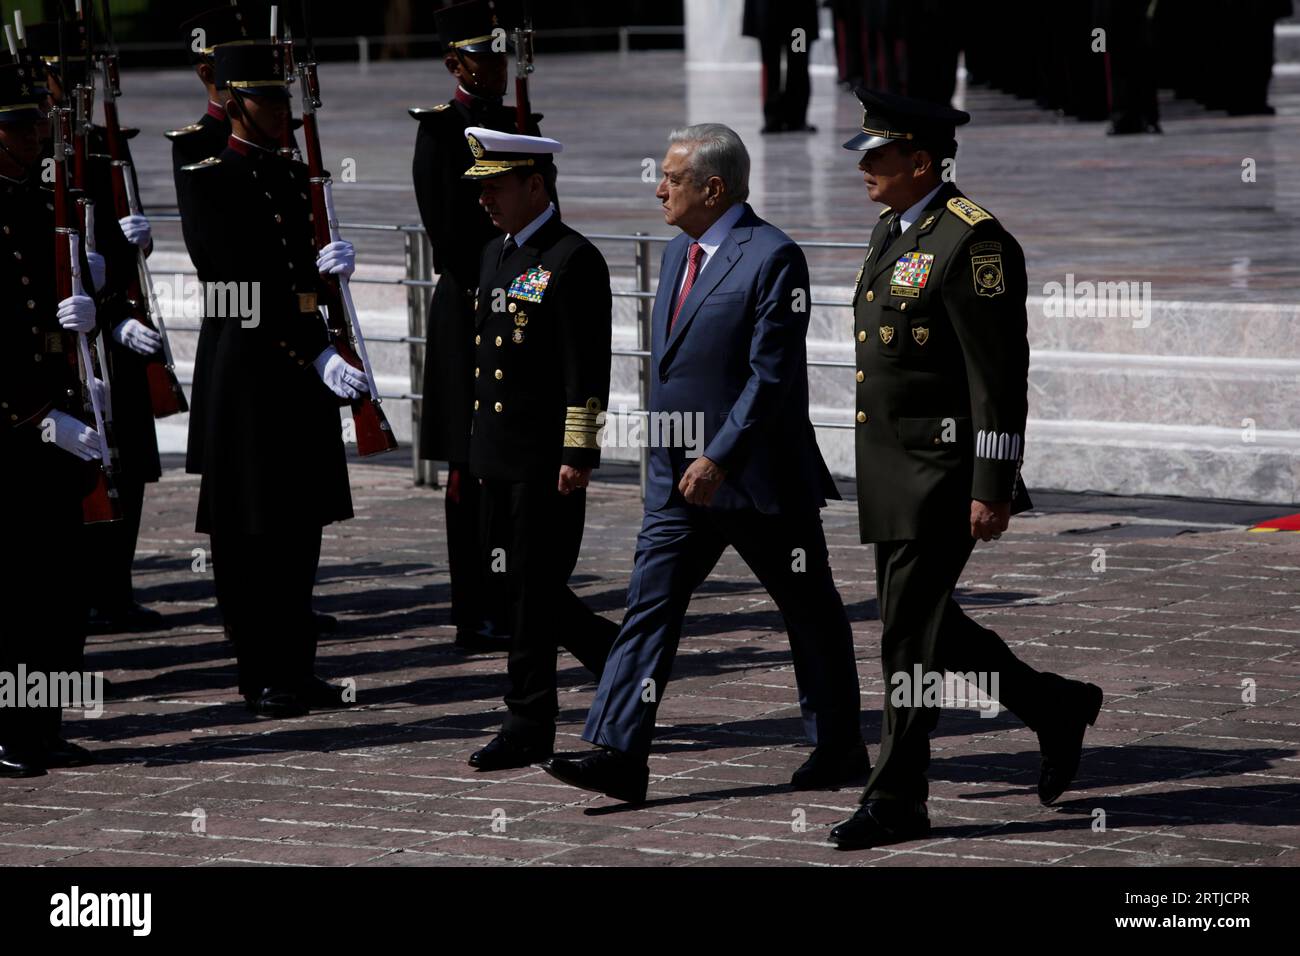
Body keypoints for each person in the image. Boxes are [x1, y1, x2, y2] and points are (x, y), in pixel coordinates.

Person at [542, 124, 866, 804]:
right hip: (674, 480)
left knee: (808, 610)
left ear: (713, 187)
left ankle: (839, 746)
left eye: (671, 177)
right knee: (646, 611)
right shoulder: (676, 251)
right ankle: (618, 753)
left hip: (756, 479)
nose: (659, 187)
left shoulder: (773, 256)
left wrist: (719, 455)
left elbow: (771, 377)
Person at [829, 89, 1103, 849]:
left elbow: (998, 377)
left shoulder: (973, 242)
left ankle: (898, 798)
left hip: (943, 474)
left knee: (906, 640)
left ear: (922, 161)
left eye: (877, 155)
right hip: (892, 469)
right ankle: (1053, 704)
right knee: (924, 627)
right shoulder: (896, 229)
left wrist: (992, 485)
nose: (865, 168)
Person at [181, 41, 359, 717]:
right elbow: (234, 291)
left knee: (299, 527)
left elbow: (297, 275)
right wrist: (312, 350)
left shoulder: (292, 177)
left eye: (285, 98)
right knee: (253, 533)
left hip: (300, 377)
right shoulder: (210, 180)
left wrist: (329, 277)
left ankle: (297, 663)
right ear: (232, 102)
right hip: (251, 378)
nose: (282, 110)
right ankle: (262, 671)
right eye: (267, 98)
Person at [459, 127, 619, 771]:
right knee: (514, 587)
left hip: (544, 462)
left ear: (535, 184)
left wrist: (578, 453)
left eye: (496, 187)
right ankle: (618, 655)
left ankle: (528, 721)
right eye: (480, 189)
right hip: (496, 456)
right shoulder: (495, 253)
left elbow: (588, 371)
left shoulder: (573, 258)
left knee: (531, 595)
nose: (486, 201)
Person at [410, 0, 546, 652]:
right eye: (480, 58)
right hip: (468, 312)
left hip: (518, 307)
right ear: (453, 62)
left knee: (514, 460)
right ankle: (475, 607)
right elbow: (451, 236)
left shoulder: (523, 122)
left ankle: (512, 591)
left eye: (498, 56)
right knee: (472, 469)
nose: (493, 68)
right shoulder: (441, 133)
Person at [24, 19, 165, 634]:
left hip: (113, 326)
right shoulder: (37, 148)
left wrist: (138, 247)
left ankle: (115, 588)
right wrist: (95, 297)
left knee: (126, 461)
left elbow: (115, 220)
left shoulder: (106, 139)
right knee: (78, 467)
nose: (76, 85)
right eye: (66, 74)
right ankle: (83, 592)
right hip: (66, 332)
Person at [0, 60, 98, 775]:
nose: (35, 135)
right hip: (11, 428)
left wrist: (89, 310)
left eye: (36, 122)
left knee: (62, 589)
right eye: (20, 126)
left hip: (55, 410)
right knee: (15, 593)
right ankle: (11, 731)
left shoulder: (42, 202)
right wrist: (34, 415)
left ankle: (49, 722)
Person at [743, 0, 819, 133]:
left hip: (798, 14)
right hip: (772, 13)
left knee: (798, 63)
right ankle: (774, 119)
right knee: (773, 64)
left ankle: (795, 118)